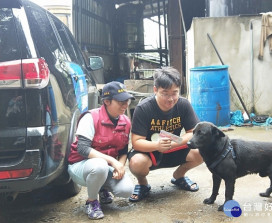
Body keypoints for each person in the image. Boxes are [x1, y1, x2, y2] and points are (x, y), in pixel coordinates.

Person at [128, 67, 204, 202]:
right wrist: (157, 146)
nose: (170, 99)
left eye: (174, 93)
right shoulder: (143, 108)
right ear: (155, 90)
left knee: (203, 149)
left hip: (174, 148)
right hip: (150, 152)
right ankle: (142, 183)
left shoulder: (183, 105)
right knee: (136, 162)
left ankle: (179, 176)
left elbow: (194, 132)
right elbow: (136, 142)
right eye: (165, 93)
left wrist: (175, 143)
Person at [68, 81, 135, 220]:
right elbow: (82, 148)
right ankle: (92, 202)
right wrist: (112, 162)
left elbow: (123, 150)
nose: (125, 105)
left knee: (127, 190)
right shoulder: (90, 117)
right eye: (120, 101)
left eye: (127, 100)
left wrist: (120, 166)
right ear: (106, 101)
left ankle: (101, 188)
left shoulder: (126, 121)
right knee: (100, 166)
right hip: (80, 166)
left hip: (103, 167)